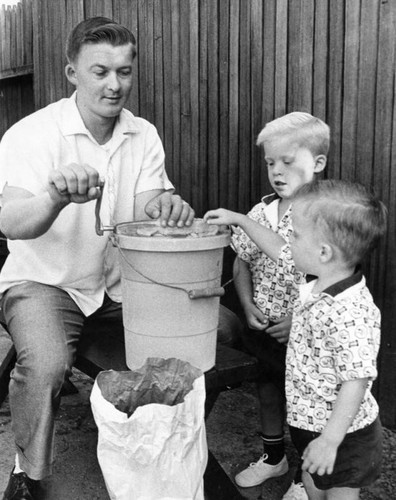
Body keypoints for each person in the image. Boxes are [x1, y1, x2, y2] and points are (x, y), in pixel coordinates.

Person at [0, 17, 196, 500]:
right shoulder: (31, 133)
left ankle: (168, 459)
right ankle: (30, 476)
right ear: (72, 72)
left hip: (118, 287)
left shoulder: (142, 134)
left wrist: (166, 205)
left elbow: (152, 199)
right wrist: (54, 197)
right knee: (45, 364)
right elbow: (10, 222)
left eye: (124, 72)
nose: (115, 85)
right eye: (100, 71)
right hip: (45, 284)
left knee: (218, 334)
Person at [204, 112, 329, 499]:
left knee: (308, 407)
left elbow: (332, 278)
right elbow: (242, 259)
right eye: (270, 162)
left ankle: (306, 477)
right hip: (265, 328)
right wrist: (247, 304)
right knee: (268, 389)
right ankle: (274, 456)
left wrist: (299, 318)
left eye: (288, 161)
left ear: (318, 163)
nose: (277, 171)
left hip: (306, 333)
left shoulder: (327, 215)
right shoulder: (261, 212)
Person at [286, 179, 386, 499]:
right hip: (311, 425)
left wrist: (330, 440)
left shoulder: (349, 313)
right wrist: (241, 221)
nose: (288, 239)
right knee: (315, 486)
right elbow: (278, 250)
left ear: (324, 252)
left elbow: (355, 380)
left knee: (339, 494)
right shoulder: (321, 280)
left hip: (344, 436)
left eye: (294, 234)